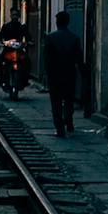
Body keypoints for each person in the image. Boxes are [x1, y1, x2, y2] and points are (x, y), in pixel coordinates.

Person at [42, 9, 84, 137]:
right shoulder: (75, 39)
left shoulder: (50, 38)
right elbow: (79, 58)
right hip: (69, 74)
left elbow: (47, 59)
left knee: (56, 102)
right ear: (68, 22)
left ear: (57, 23)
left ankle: (60, 128)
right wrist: (82, 72)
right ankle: (69, 121)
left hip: (54, 75)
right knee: (69, 99)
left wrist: (47, 73)